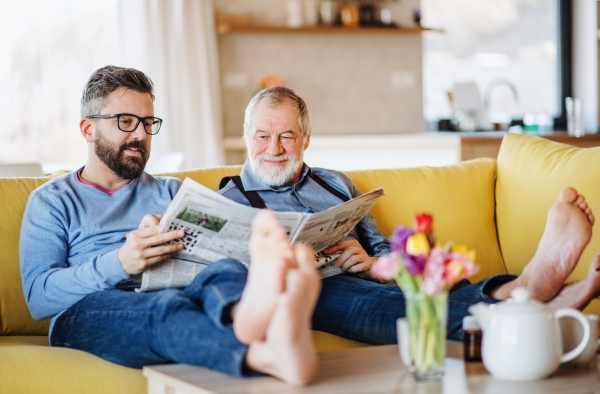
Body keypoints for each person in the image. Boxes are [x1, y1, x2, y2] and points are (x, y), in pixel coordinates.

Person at [219, 86, 600, 344]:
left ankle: (525, 291)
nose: (274, 148)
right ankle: (533, 296)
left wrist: (372, 264)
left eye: (286, 136)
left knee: (429, 282)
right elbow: (226, 276)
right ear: (246, 134)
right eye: (262, 135)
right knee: (396, 309)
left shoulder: (336, 184)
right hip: (312, 291)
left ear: (305, 138)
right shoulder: (229, 197)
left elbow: (388, 252)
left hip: (369, 280)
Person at [20, 66, 323, 386]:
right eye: (126, 122)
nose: (140, 135)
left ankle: (247, 314)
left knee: (226, 271)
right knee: (165, 306)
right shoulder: (52, 200)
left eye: (148, 123)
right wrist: (121, 262)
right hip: (87, 312)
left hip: (179, 292)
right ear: (88, 129)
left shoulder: (172, 192)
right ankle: (265, 354)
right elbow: (39, 297)